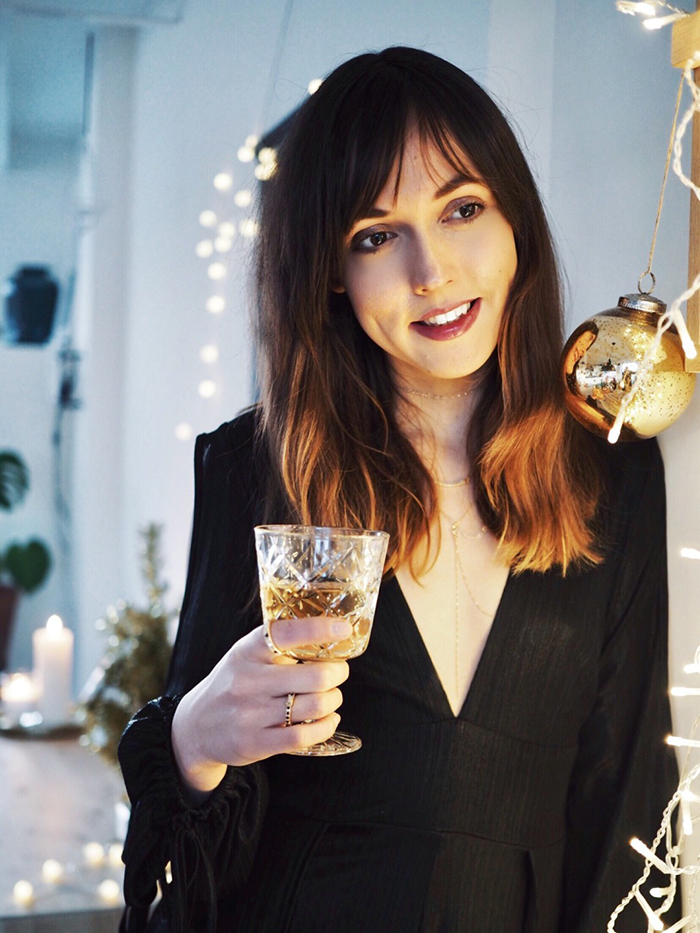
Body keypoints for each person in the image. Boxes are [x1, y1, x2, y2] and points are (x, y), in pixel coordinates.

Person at [118, 46, 680, 933]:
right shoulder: (254, 466)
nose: (432, 272)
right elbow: (198, 845)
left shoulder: (611, 469)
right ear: (331, 275)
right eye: (376, 235)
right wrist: (193, 741)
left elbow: (631, 801)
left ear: (515, 224)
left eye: (463, 209)